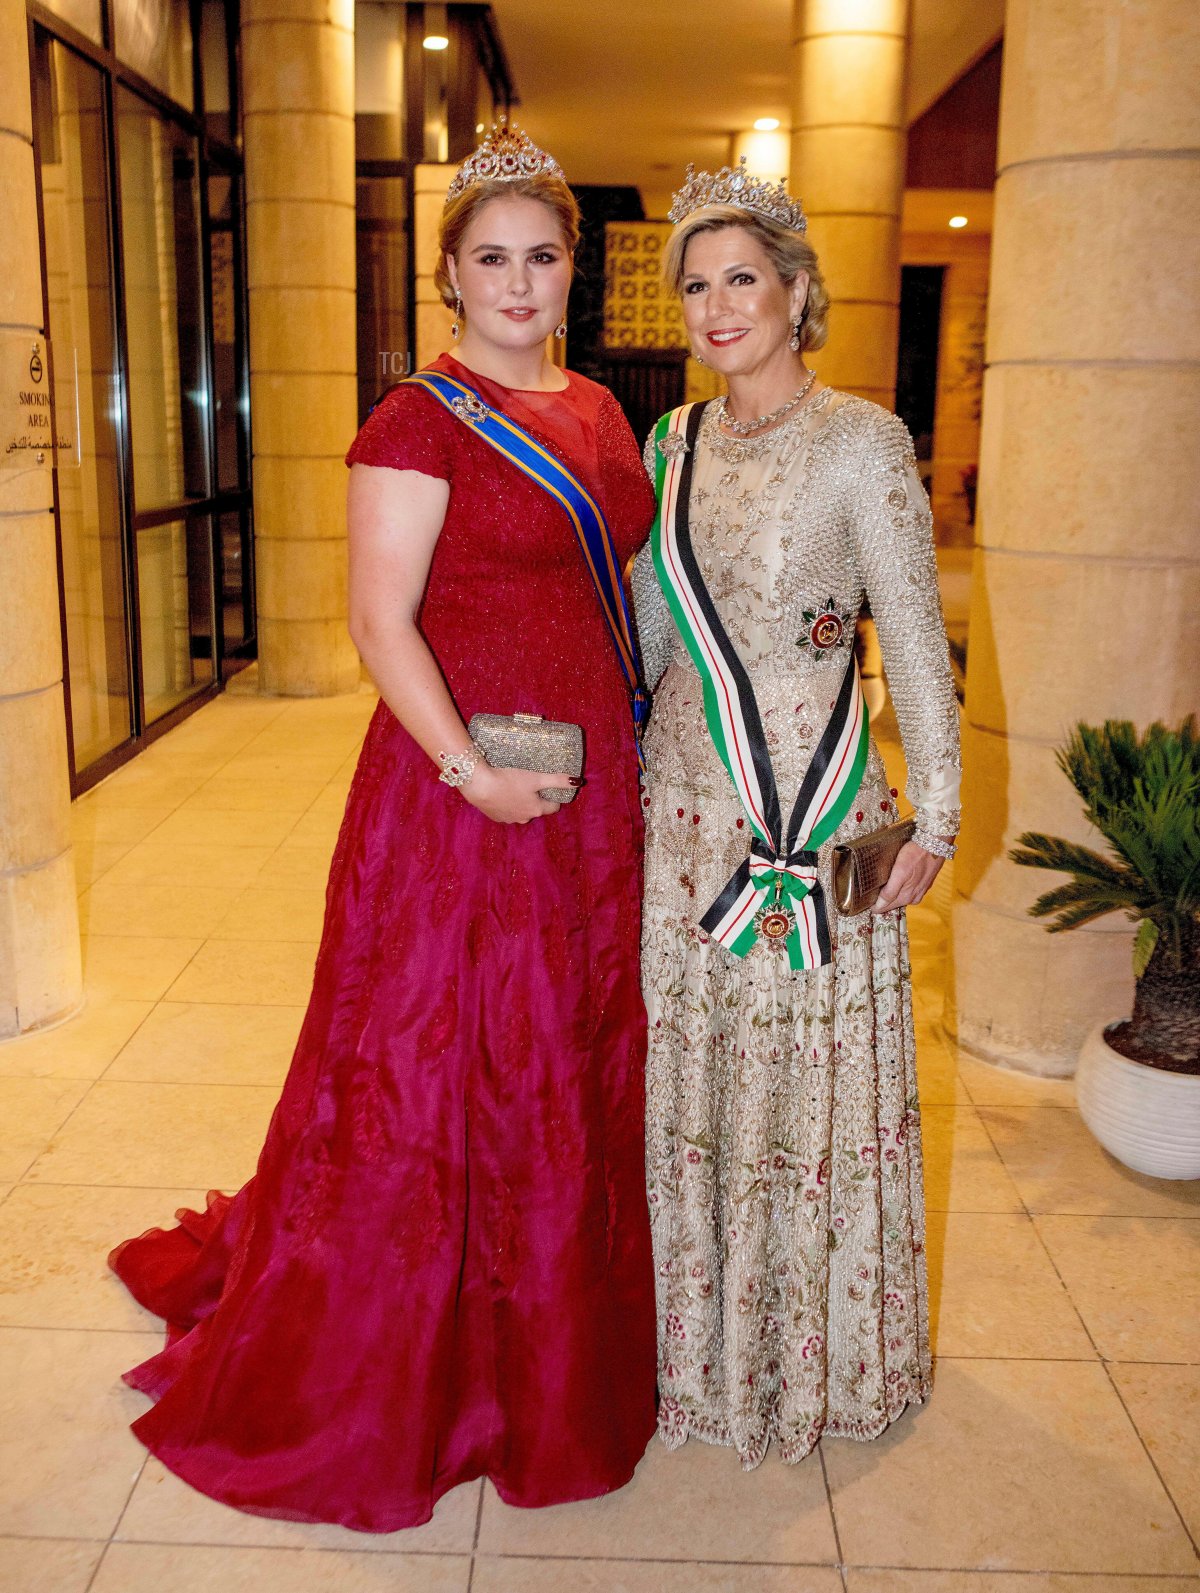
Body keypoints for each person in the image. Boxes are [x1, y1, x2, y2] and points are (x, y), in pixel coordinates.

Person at [107, 126, 658, 1531]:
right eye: (492, 258)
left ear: (569, 272)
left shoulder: (600, 411)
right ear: (450, 275)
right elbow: (377, 621)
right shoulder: (419, 419)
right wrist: (474, 773)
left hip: (591, 797)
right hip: (457, 793)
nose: (518, 282)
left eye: (543, 256)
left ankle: (546, 1344)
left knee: (564, 1047)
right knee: (442, 1057)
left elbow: (632, 591)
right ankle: (424, 1360)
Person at [631, 159, 961, 1469]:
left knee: (803, 1086)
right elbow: (654, 631)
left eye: (742, 279)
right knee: (694, 1083)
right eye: (698, 286)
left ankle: (810, 1352)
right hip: (684, 822)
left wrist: (933, 813)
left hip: (812, 819)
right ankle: (692, 1350)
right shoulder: (670, 445)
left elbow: (918, 643)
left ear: (795, 290)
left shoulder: (863, 441)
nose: (719, 308)